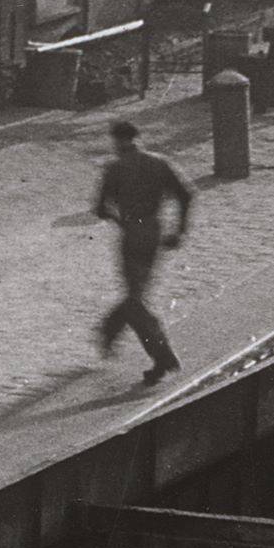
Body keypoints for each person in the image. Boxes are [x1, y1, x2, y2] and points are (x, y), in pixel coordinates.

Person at [92, 116, 193, 385]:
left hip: (132, 235)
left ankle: (160, 355)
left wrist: (120, 220)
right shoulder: (159, 163)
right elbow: (186, 194)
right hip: (154, 232)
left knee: (135, 299)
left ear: (116, 141)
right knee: (136, 295)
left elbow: (100, 208)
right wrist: (179, 230)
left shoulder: (115, 168)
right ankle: (111, 330)